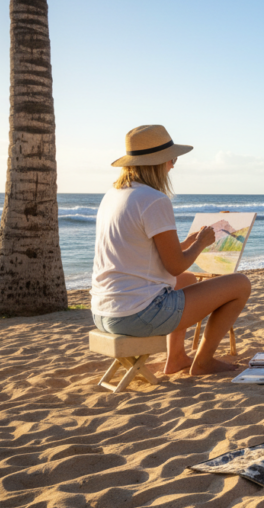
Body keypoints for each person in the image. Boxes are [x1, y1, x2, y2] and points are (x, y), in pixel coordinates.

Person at [91, 125, 251, 376]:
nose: (173, 165)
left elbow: (140, 252)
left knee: (186, 281)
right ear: (157, 162)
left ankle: (176, 357)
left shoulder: (113, 195)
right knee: (240, 284)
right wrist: (201, 244)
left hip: (103, 311)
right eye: (172, 159)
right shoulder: (154, 199)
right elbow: (174, 266)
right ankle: (204, 361)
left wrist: (186, 243)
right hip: (137, 314)